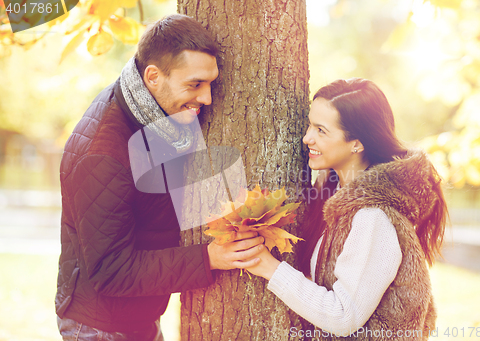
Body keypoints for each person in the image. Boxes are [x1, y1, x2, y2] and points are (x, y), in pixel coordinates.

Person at [55, 14, 264, 340]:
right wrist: (208, 259)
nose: (207, 99)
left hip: (139, 316)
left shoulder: (154, 107)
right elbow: (109, 272)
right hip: (100, 326)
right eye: (195, 84)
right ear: (152, 76)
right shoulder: (104, 155)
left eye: (211, 83)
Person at [244, 78, 448, 340]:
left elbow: (344, 315)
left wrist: (268, 267)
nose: (307, 138)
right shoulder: (334, 195)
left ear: (357, 143)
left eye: (321, 130)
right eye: (310, 124)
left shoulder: (372, 217)